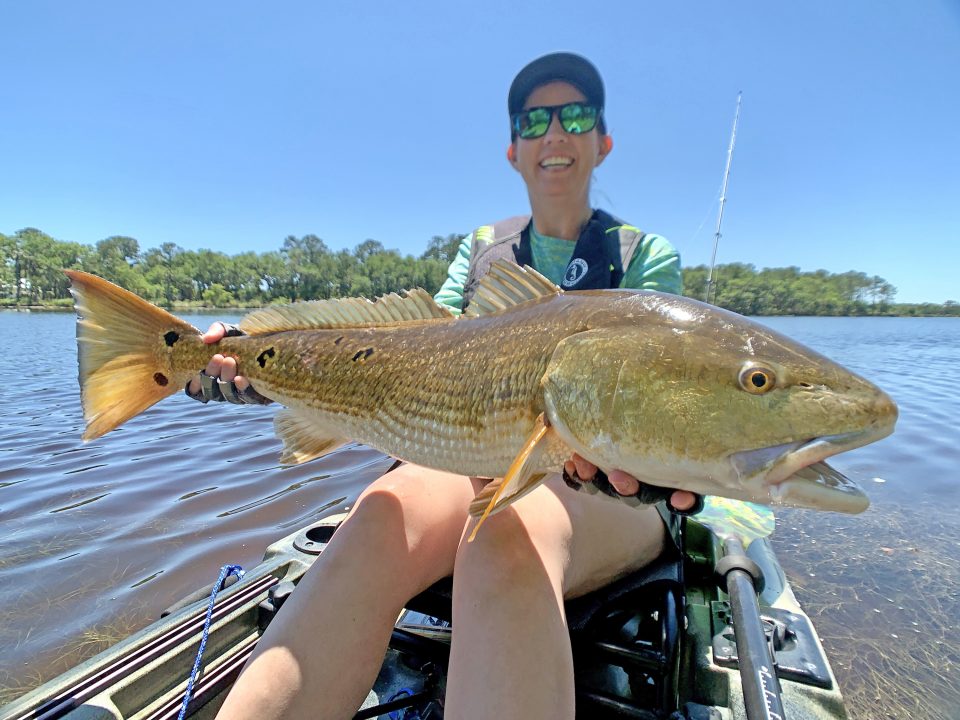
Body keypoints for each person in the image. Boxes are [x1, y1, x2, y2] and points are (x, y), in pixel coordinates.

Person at [188, 52, 697, 720]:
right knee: (377, 518)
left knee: (503, 537)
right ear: (513, 150)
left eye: (575, 115)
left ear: (602, 141)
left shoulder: (643, 257)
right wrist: (266, 368)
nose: (555, 132)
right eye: (533, 119)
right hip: (479, 449)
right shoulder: (483, 248)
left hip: (603, 487)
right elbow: (426, 351)